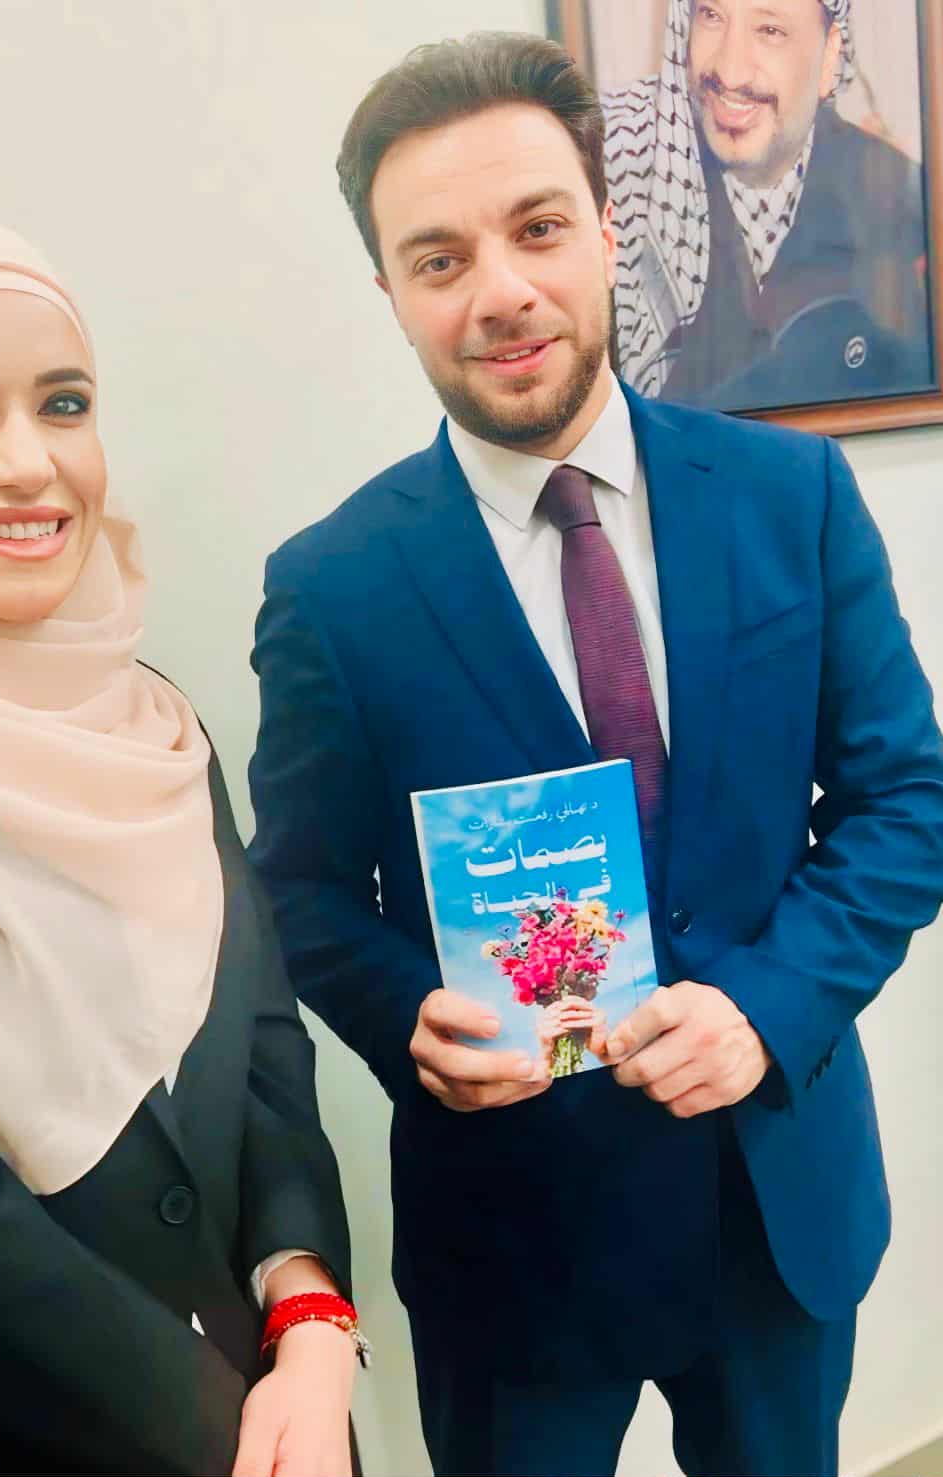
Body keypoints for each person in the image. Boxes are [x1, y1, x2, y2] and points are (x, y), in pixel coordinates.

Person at [247, 32, 943, 1477]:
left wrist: (762, 1006)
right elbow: (299, 894)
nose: (498, 290)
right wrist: (405, 1016)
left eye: (537, 227)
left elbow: (905, 800)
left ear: (609, 228)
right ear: (390, 293)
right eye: (438, 259)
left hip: (770, 1198)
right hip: (514, 1235)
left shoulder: (790, 495)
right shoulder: (332, 585)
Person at [0, 218, 359, 1476]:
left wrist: (311, 1313)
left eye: (64, 402)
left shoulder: (152, 725)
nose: (26, 461)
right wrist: (221, 1429)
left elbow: (259, 1052)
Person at [602, 0, 932, 411]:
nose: (730, 72)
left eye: (770, 31)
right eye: (711, 16)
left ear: (829, 58)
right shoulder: (627, 165)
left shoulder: (899, 197)